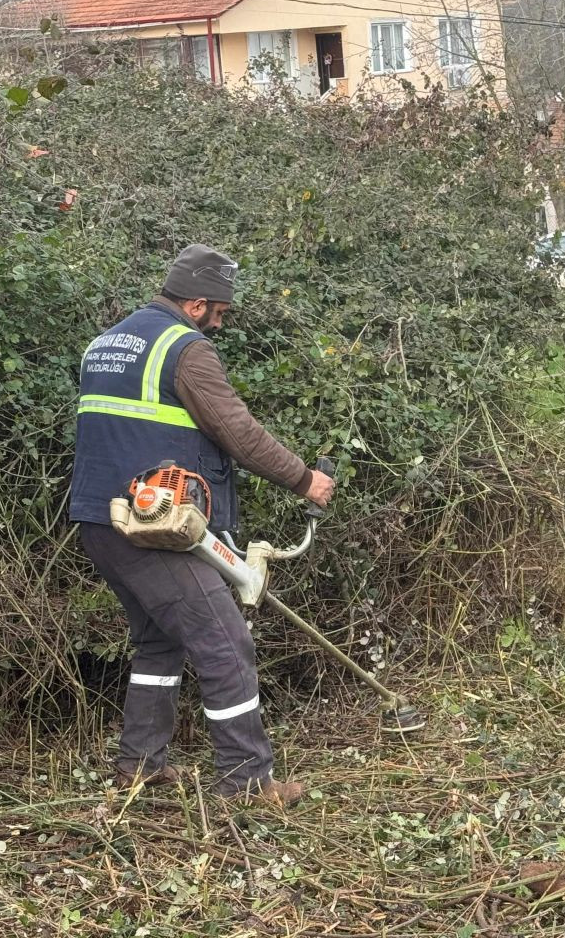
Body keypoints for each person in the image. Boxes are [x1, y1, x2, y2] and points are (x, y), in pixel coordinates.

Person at [69, 244, 334, 806]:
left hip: (101, 518)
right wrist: (304, 479)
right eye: (219, 310)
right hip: (152, 524)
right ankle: (246, 782)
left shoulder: (108, 343)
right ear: (194, 304)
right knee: (224, 641)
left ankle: (138, 767)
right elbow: (237, 432)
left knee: (159, 643)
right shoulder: (185, 350)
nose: (222, 320)